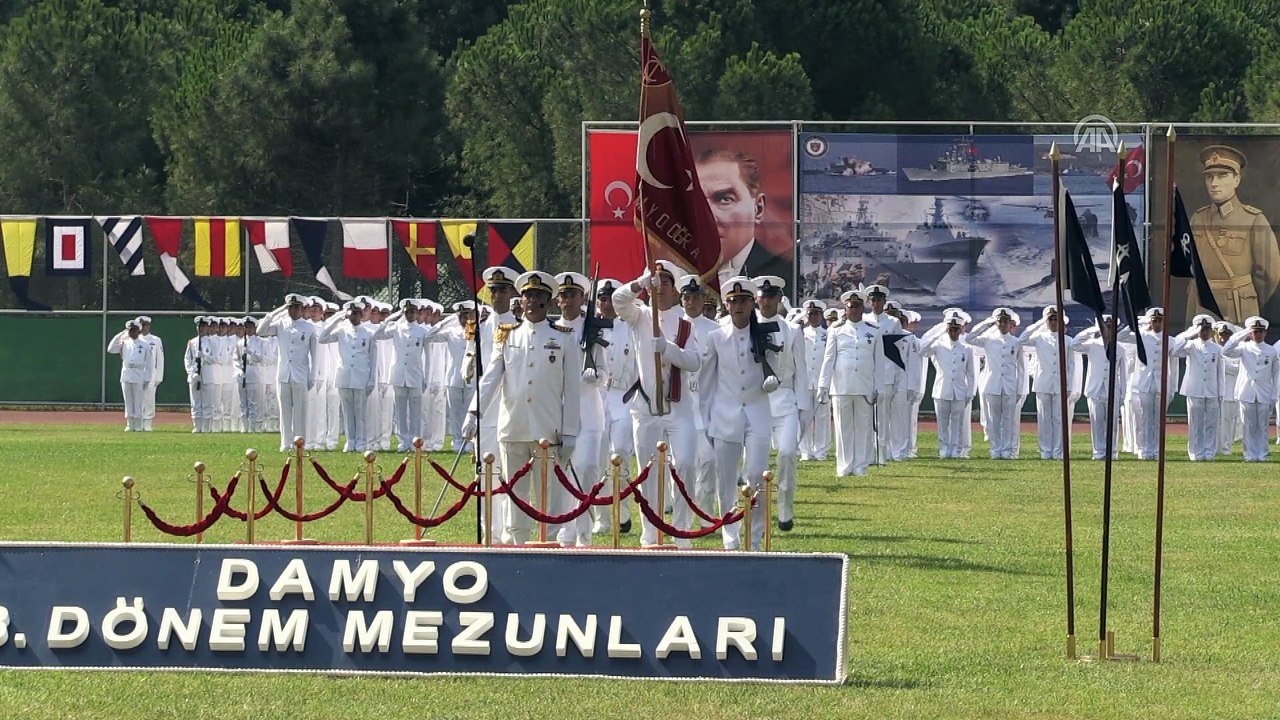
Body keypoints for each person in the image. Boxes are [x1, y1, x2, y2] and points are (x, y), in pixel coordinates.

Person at [464, 271, 582, 546]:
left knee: (548, 496)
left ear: (548, 302)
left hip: (547, 428)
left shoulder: (564, 338)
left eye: (538, 297)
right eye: (527, 296)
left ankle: (548, 543)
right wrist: (474, 412)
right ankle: (516, 544)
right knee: (513, 494)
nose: (531, 302)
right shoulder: (507, 335)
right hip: (513, 426)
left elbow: (572, 390)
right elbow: (492, 376)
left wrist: (571, 431)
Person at [612, 260, 703, 548]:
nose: (660, 286)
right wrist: (639, 282)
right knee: (648, 472)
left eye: (666, 281)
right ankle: (650, 532)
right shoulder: (639, 316)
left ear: (675, 290)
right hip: (647, 406)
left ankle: (680, 531)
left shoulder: (685, 325)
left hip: (678, 407)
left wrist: (668, 349)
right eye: (657, 280)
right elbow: (618, 300)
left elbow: (695, 361)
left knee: (686, 465)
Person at [699, 277, 777, 550]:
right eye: (733, 301)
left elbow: (779, 369)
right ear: (726, 304)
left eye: (744, 300)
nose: (738, 306)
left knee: (757, 474)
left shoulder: (766, 333)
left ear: (752, 302)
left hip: (757, 412)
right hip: (725, 415)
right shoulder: (716, 338)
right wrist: (708, 421)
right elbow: (707, 384)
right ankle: (730, 536)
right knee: (726, 479)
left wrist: (774, 379)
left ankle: (754, 537)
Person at [1188, 144, 1280, 326]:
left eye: (1222, 176)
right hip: (1201, 307)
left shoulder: (1253, 219)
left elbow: (1270, 274)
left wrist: (1248, 297)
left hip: (1238, 308)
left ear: (1236, 179)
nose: (1214, 183)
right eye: (1209, 177)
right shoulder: (1197, 218)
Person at [753, 275, 810, 531]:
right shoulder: (747, 327)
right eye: (762, 297)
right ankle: (758, 515)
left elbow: (801, 370)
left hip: (785, 400)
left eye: (771, 297)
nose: (766, 301)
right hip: (756, 402)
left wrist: (804, 408)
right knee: (757, 463)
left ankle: (785, 511)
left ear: (778, 299)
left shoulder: (792, 330)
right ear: (757, 299)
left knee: (787, 453)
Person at [555, 271, 605, 546]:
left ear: (582, 297)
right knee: (562, 473)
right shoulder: (551, 329)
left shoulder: (593, 329)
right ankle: (564, 531)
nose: (567, 300)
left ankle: (584, 533)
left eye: (572, 295)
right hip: (560, 410)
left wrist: (595, 375)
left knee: (585, 469)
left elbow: (604, 372)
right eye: (563, 295)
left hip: (588, 409)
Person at [696, 148, 790, 286]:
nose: (707, 216)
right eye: (698, 201)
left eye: (724, 199)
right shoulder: (678, 274)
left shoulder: (785, 275)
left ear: (758, 208)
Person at [818, 289, 882, 477]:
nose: (854, 309)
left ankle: (861, 466)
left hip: (865, 385)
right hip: (842, 386)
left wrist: (879, 386)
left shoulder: (873, 330)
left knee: (863, 427)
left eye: (857, 306)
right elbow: (828, 359)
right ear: (845, 308)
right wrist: (823, 385)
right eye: (850, 306)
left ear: (863, 307)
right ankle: (844, 466)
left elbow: (879, 361)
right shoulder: (836, 330)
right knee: (842, 428)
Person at [255, 294, 318, 452]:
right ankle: (285, 442)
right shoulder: (281, 323)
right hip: (284, 373)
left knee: (300, 410)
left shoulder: (309, 327)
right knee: (284, 410)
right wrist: (276, 312)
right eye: (290, 307)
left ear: (302, 309)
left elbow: (315, 355)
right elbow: (260, 330)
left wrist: (312, 376)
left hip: (300, 373)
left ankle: (300, 441)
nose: (293, 310)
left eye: (296, 307)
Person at [1016, 307, 1081, 460]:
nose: (1053, 322)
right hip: (1043, 383)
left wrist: (1070, 386)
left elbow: (1071, 366)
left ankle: (1059, 452)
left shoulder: (1068, 341)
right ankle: (1045, 451)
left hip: (1060, 385)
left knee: (1059, 420)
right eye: (1050, 319)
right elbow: (1022, 340)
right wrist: (1039, 323)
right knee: (1044, 419)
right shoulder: (1039, 337)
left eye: (1056, 319)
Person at [1070, 316, 1133, 460]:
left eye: (1111, 326)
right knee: (1097, 422)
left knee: (1112, 424)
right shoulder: (1092, 344)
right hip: (1095, 389)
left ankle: (1112, 452)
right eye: (1106, 326)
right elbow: (1074, 344)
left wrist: (1122, 394)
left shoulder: (1120, 349)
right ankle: (1098, 452)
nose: (1108, 329)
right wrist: (1094, 329)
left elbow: (1123, 374)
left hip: (1113, 390)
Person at [965, 308, 1024, 459]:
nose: (1003, 324)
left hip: (1010, 385)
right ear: (996, 322)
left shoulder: (1016, 342)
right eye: (1000, 321)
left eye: (1005, 321)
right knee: (993, 420)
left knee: (1009, 420)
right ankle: (996, 449)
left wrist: (1020, 389)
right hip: (993, 384)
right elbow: (969, 338)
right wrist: (986, 322)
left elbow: (1021, 369)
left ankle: (1008, 450)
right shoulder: (988, 339)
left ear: (1010, 323)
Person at [1220, 316, 1279, 462]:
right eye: (1255, 331)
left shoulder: (1271, 351)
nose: (1258, 334)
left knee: (1263, 426)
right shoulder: (1244, 348)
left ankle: (1262, 454)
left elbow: (1276, 374)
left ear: (1265, 333)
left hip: (1264, 392)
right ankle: (1249, 455)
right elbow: (1226, 350)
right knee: (1248, 426)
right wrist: (1243, 333)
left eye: (1260, 331)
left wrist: (1274, 394)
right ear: (1251, 333)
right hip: (1247, 391)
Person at [920, 312, 976, 458]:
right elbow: (923, 350)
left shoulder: (967, 348)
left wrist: (970, 392)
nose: (953, 333)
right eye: (950, 329)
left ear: (960, 330)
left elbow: (971, 374)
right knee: (942, 423)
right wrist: (938, 332)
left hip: (959, 391)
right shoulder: (939, 345)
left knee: (957, 424)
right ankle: (943, 450)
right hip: (941, 389)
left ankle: (956, 450)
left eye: (956, 330)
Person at [1171, 315, 1224, 461]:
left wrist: (1221, 392)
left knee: (1211, 424)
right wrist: (1188, 335)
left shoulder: (1217, 348)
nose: (1205, 332)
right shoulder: (1191, 345)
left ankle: (1209, 452)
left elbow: (1220, 372)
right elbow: (1175, 351)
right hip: (1195, 389)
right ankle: (1195, 453)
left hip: (1212, 390)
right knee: (1196, 423)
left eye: (1207, 329)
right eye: (1202, 329)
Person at [107, 319, 154, 432]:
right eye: (130, 330)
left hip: (138, 373)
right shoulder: (124, 343)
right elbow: (110, 349)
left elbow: (149, 364)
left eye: (134, 330)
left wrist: (147, 378)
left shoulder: (145, 345)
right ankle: (129, 423)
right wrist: (120, 334)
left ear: (139, 331)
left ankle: (138, 424)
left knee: (138, 400)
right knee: (128, 400)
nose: (132, 332)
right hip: (126, 373)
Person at [799, 300, 830, 461]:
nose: (813, 316)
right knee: (804, 417)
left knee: (822, 417)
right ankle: (805, 450)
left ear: (821, 315)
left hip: (821, 381)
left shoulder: (828, 334)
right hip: (805, 381)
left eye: (816, 313)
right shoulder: (800, 333)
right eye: (810, 313)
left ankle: (821, 450)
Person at [136, 316, 163, 432]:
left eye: (145, 325)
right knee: (138, 398)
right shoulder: (135, 340)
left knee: (149, 398)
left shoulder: (156, 340)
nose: (143, 328)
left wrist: (158, 376)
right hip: (138, 372)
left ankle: (148, 422)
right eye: (141, 325)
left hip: (152, 373)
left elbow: (160, 359)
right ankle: (138, 422)